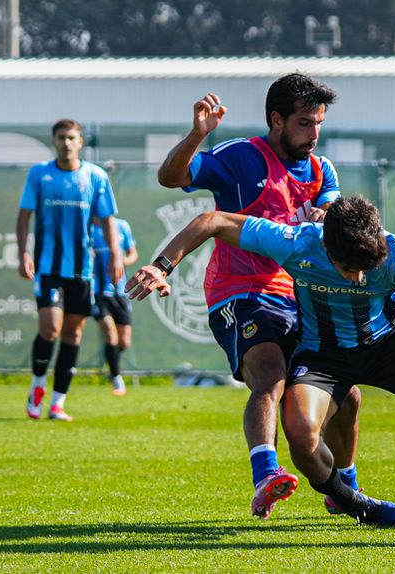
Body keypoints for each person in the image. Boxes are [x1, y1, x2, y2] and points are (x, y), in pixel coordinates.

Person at [127, 196, 395, 526]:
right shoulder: (297, 242)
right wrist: (162, 266)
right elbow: (212, 220)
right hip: (323, 355)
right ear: (326, 247)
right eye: (347, 268)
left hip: (385, 346)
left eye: (364, 268)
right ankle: (354, 504)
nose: (356, 278)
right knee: (300, 434)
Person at [155, 73, 363, 519]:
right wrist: (197, 135)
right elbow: (170, 177)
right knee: (270, 373)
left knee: (348, 393)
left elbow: (331, 215)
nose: (314, 134)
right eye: (305, 123)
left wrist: (330, 215)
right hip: (240, 292)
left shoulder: (323, 170)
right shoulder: (242, 158)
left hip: (299, 298)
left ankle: (344, 484)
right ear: (276, 119)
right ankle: (267, 474)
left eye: (319, 123)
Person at [17, 118, 122, 422]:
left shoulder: (96, 176)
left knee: (73, 334)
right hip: (49, 267)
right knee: (49, 328)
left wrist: (115, 254)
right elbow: (24, 216)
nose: (66, 142)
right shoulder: (39, 174)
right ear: (54, 141)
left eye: (72, 137)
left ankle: (58, 402)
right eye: (61, 137)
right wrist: (23, 252)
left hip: (82, 270)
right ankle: (38, 385)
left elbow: (107, 219)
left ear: (81, 142)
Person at [91, 216, 138, 396]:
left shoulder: (122, 225)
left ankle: (111, 363)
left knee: (123, 342)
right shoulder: (87, 228)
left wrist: (121, 261)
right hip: (98, 292)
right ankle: (117, 380)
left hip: (120, 292)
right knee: (109, 334)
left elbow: (133, 253)